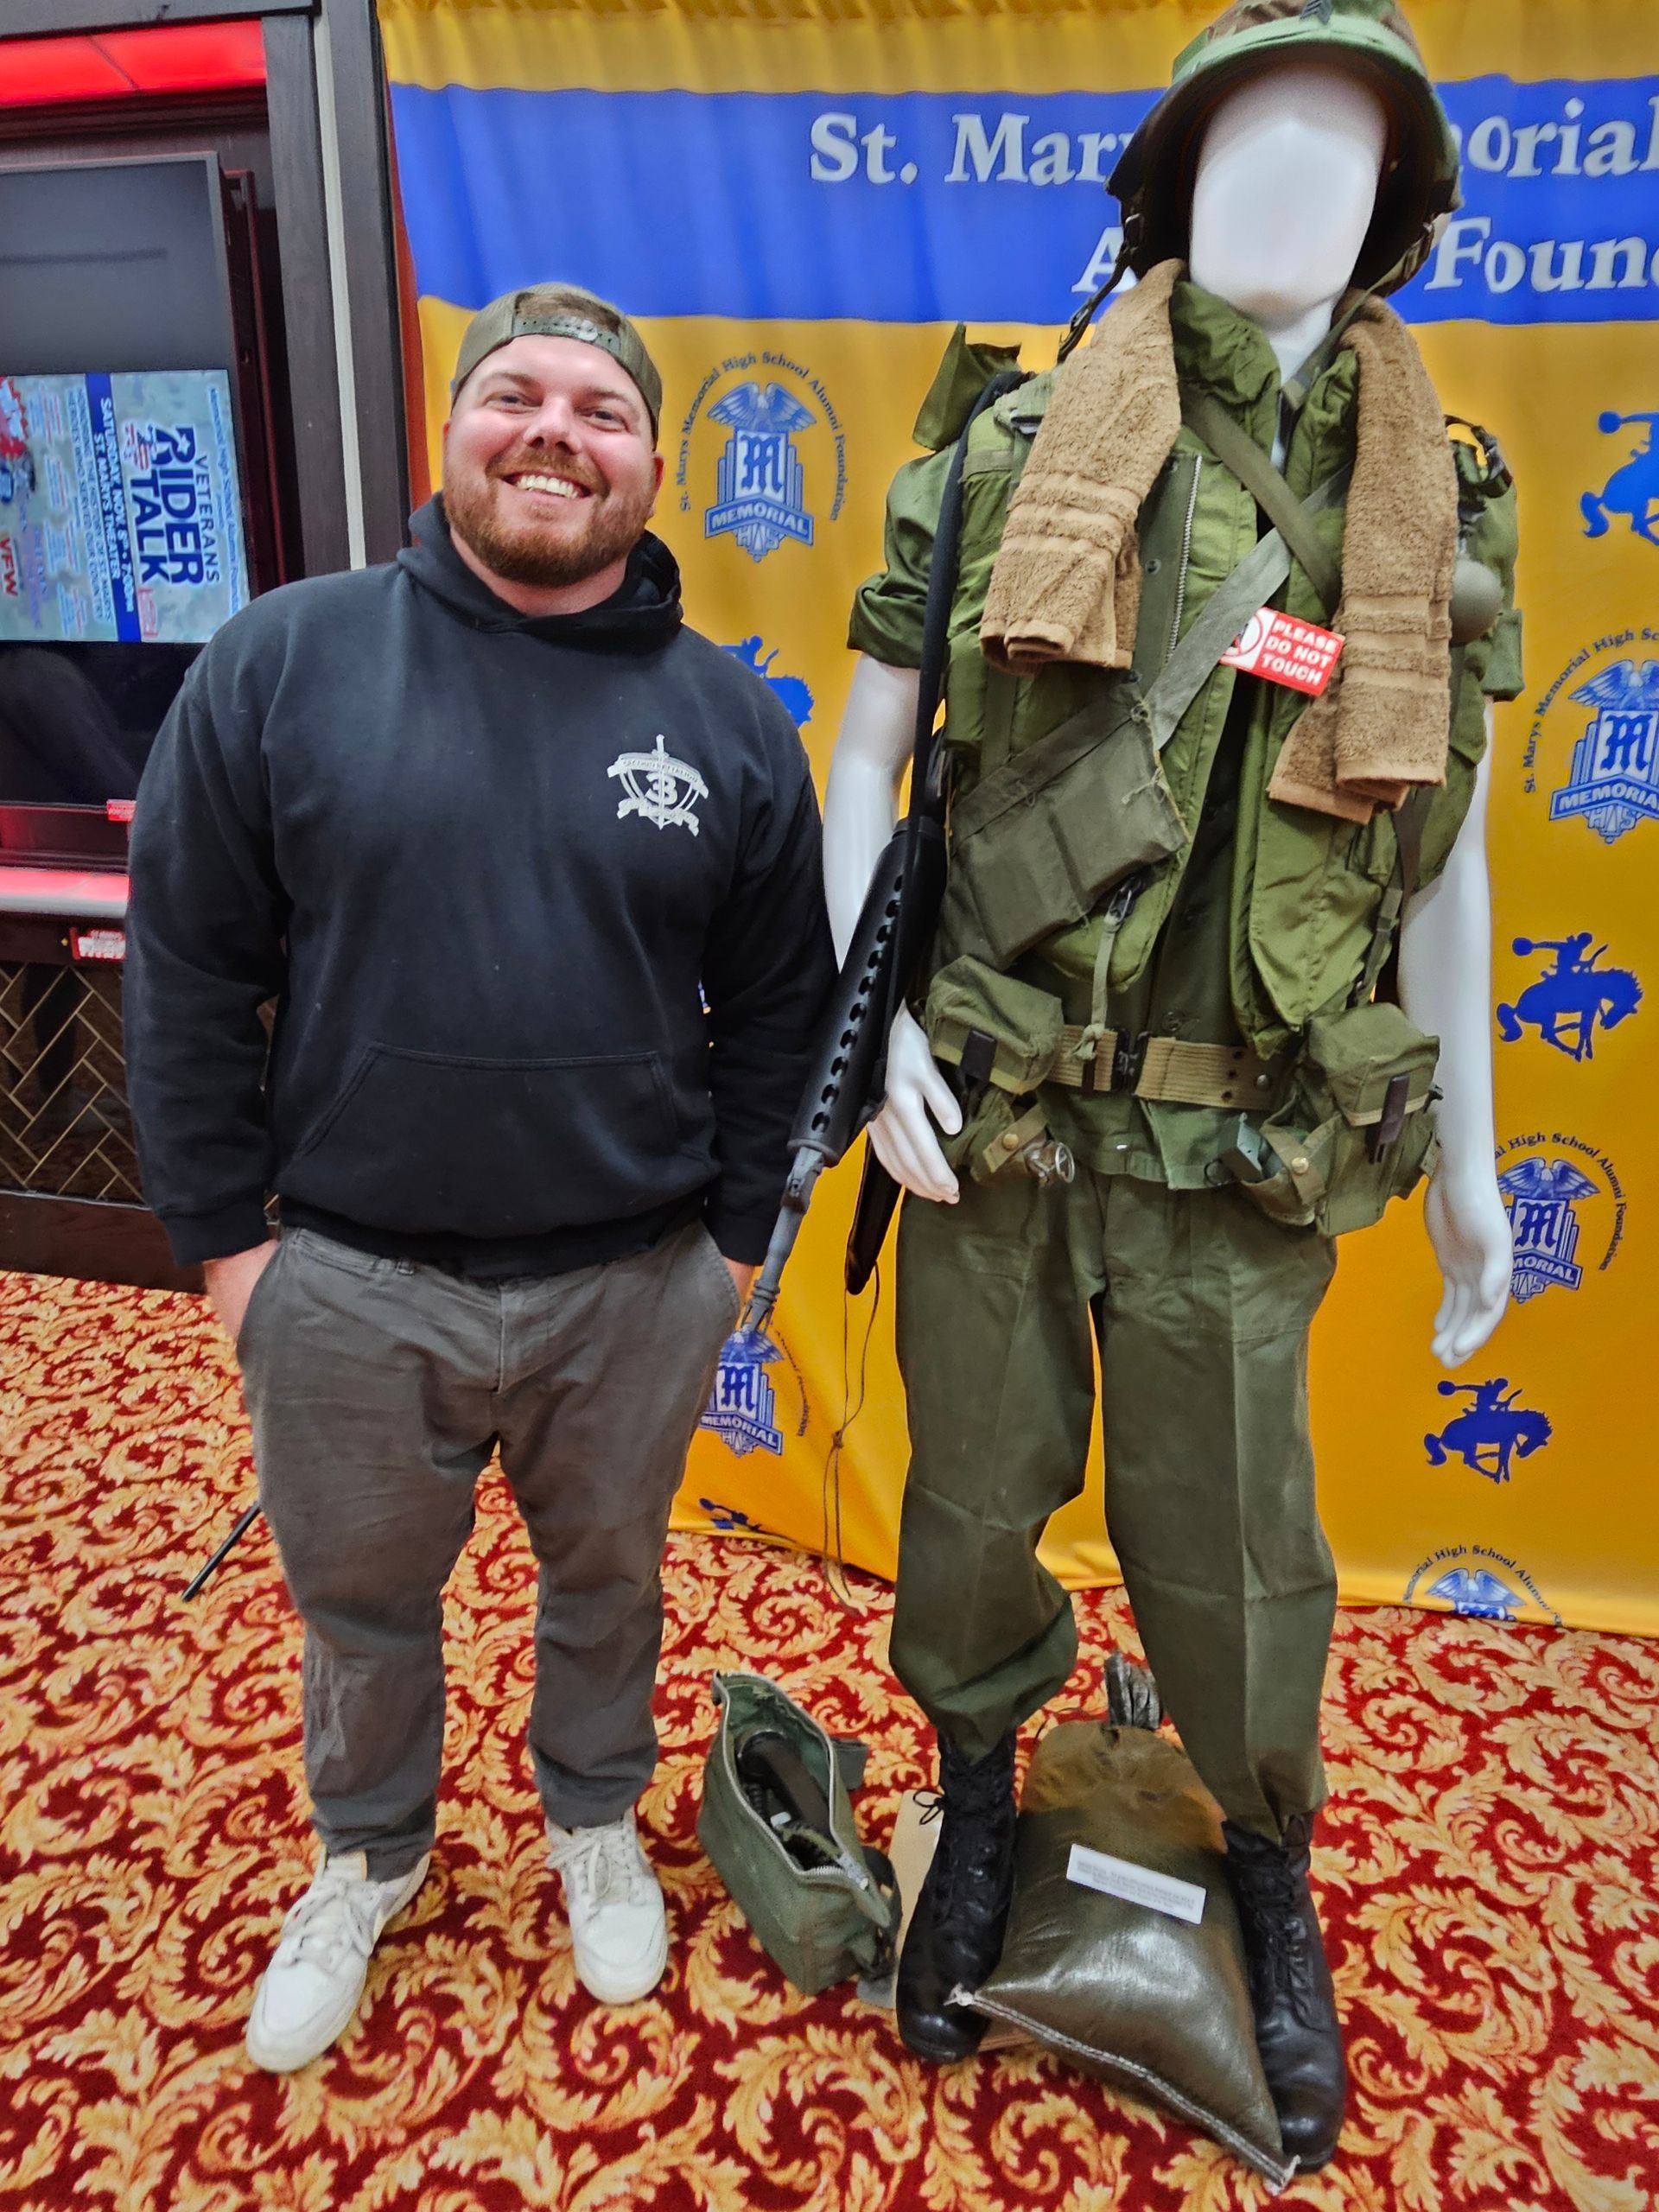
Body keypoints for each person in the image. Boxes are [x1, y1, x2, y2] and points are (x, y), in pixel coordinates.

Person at [823, 0, 1520, 2168]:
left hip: (1244, 1142)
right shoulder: (1016, 446)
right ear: (1168, 179)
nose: (1289, 177)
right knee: (968, 1512)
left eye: (1342, 147)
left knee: (1235, 1553)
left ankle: (1266, 1859)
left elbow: (1447, 855)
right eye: (1246, 136)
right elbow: (868, 748)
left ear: (1397, 213)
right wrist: (871, 1035)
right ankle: (974, 1800)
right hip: (1004, 1114)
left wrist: (1475, 1162)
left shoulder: (1436, 502)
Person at [125, 283, 836, 2073]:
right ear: (450, 429)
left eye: (601, 411)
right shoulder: (282, 662)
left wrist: (734, 1249)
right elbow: (189, 970)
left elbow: (781, 1008)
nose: (553, 435)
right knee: (361, 1606)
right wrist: (228, 1255)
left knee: (610, 1582)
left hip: (635, 1282)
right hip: (350, 1281)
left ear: (653, 468)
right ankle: (367, 1850)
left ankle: (594, 1814)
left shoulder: (730, 720)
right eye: (515, 394)